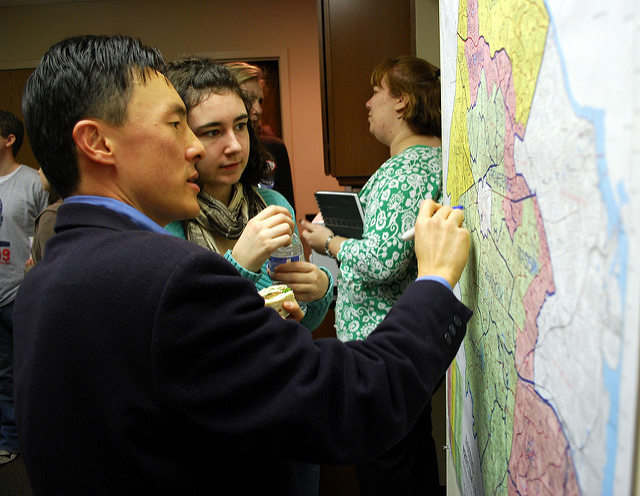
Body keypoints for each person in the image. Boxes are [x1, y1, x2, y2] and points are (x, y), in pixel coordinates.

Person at [14, 35, 471, 496]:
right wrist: (433, 280)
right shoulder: (171, 277)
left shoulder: (45, 276)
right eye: (177, 125)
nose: (196, 148)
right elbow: (353, 403)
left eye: (240, 126)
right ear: (97, 142)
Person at [300, 56, 446, 495]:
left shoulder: (406, 170)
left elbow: (384, 262)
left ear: (401, 102)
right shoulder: (431, 160)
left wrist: (328, 241)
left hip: (379, 352)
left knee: (387, 476)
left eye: (376, 92)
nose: (368, 103)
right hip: (404, 348)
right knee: (412, 463)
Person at [164, 57, 332, 334]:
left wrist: (319, 289)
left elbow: (304, 320)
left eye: (241, 126)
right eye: (213, 132)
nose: (234, 146)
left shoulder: (272, 205)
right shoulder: (167, 219)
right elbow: (183, 330)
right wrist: (240, 264)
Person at [0, 110, 47, 465]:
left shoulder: (32, 181)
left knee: (30, 372)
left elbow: (49, 229)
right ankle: (9, 438)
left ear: (9, 139)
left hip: (21, 293)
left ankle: (33, 442)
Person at [225, 61, 297, 212]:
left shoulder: (274, 149)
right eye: (249, 100)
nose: (258, 109)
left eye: (260, 101)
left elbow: (289, 215)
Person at [24, 168, 63, 272]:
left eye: (42, 166)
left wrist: (31, 272)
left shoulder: (51, 217)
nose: (38, 171)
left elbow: (51, 273)